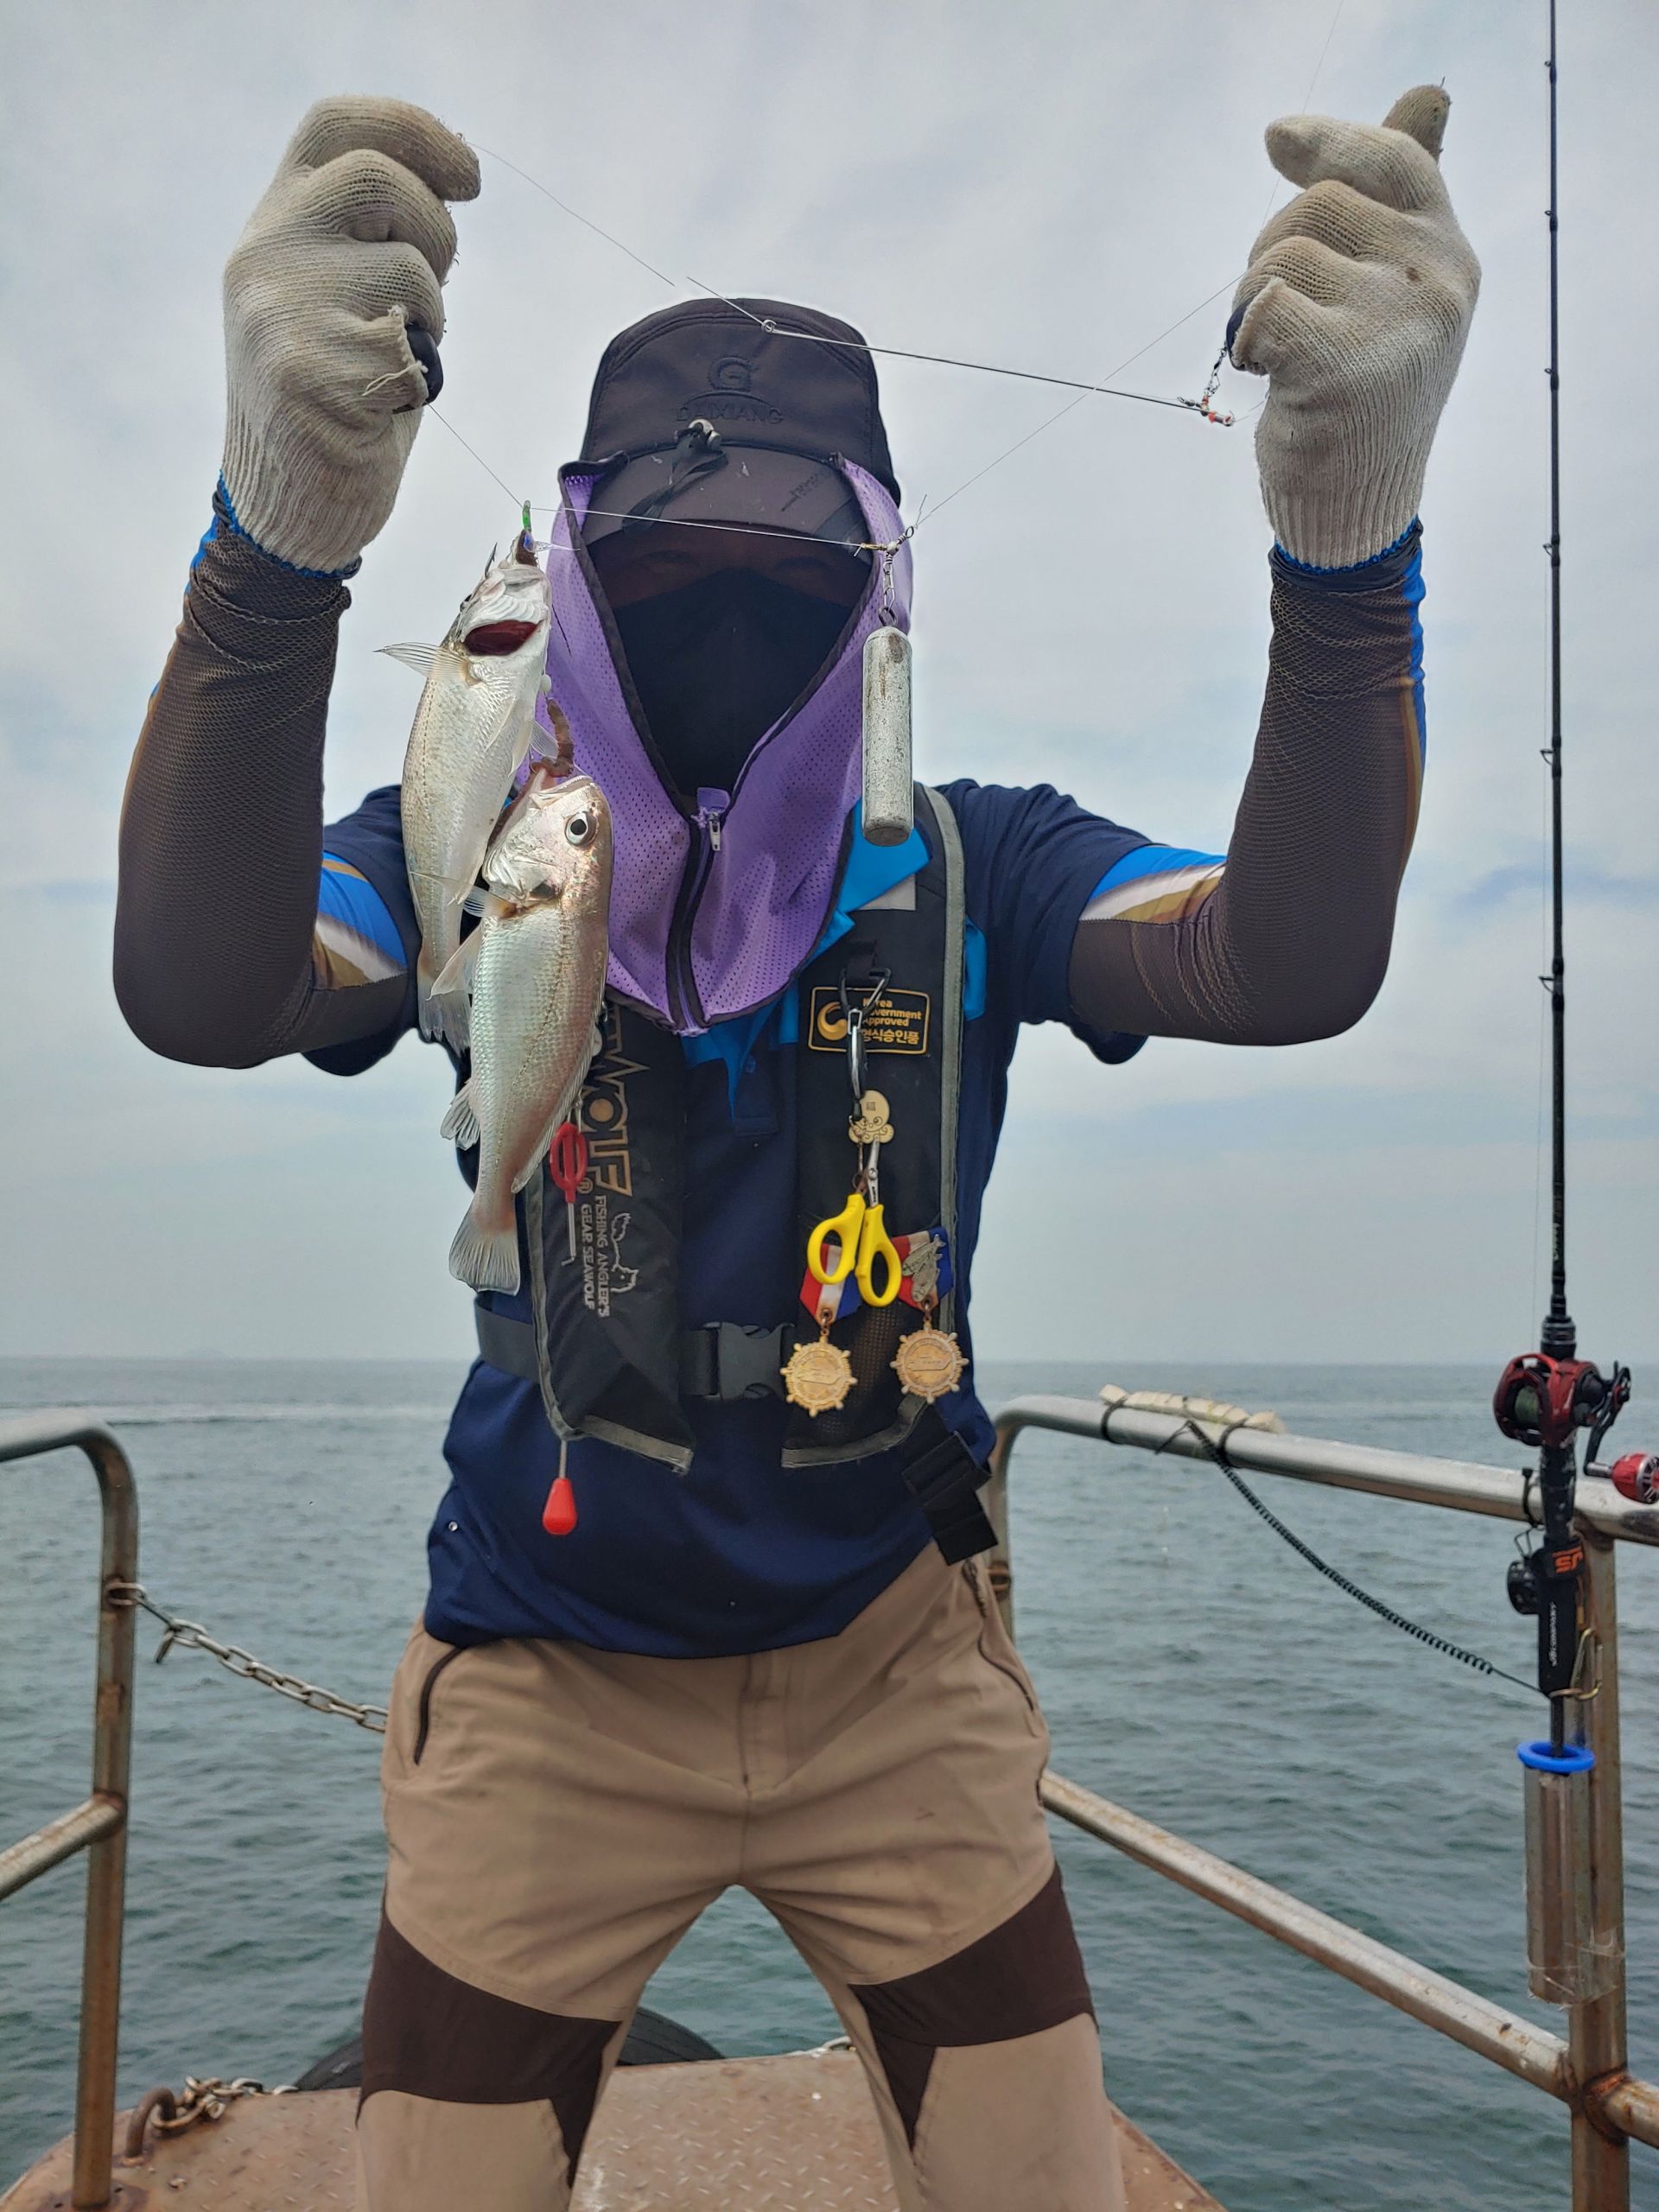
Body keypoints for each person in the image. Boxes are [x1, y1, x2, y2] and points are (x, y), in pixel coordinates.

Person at [114, 86, 1478, 2212]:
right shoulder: (482, 851)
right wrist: (275, 549)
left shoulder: (984, 864)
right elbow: (203, 984)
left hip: (894, 1659)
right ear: (581, 582)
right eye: (666, 579)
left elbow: (1286, 957)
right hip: (546, 1662)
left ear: (879, 603)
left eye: (795, 581)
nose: (726, 635)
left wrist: (1348, 543)